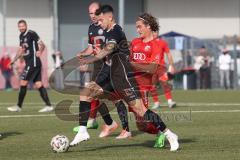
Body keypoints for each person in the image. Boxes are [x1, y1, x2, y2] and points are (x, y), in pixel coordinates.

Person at [74, 5, 179, 151]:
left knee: (142, 115)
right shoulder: (121, 37)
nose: (99, 23)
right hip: (111, 76)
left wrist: (93, 59)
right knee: (86, 92)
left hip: (125, 80)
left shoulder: (117, 31)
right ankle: (83, 131)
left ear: (109, 17)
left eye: (101, 20)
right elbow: (118, 56)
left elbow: (112, 50)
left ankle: (169, 134)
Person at [72, 2, 131, 139]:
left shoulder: (109, 27)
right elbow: (91, 48)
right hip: (98, 65)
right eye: (90, 13)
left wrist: (94, 57)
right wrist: (82, 54)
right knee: (95, 96)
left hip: (110, 66)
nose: (93, 16)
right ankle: (109, 124)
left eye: (95, 13)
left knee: (113, 98)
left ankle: (125, 128)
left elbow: (110, 47)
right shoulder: (91, 28)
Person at [7, 20, 53, 112]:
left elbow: (42, 44)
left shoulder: (31, 33)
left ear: (26, 26)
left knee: (23, 82)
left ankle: (18, 106)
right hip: (30, 63)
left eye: (22, 26)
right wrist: (13, 60)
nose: (21, 28)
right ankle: (49, 106)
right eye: (19, 26)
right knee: (38, 84)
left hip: (34, 62)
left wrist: (40, 51)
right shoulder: (21, 36)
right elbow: (21, 50)